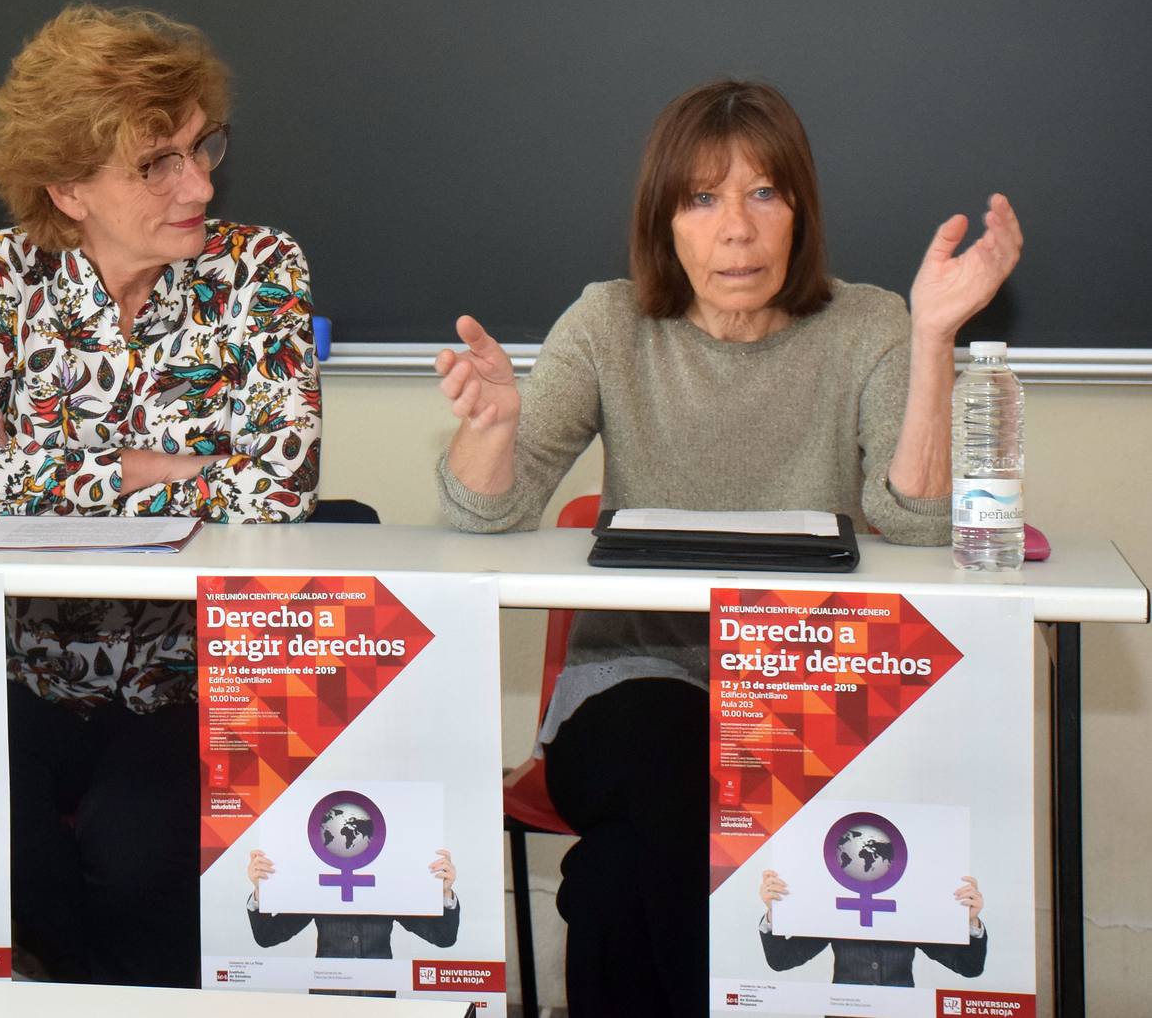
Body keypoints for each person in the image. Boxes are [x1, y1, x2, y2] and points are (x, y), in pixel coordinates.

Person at [431, 80, 1022, 1018]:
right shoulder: (608, 324)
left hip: (806, 698)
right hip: (626, 696)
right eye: (702, 198)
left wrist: (933, 338)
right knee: (679, 757)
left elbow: (912, 521)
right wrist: (494, 429)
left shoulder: (868, 327)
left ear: (800, 212)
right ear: (663, 220)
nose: (735, 231)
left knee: (615, 881)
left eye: (763, 195)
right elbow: (479, 512)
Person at [0, 3, 322, 987]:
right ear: (69, 187)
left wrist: (54, 469)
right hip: (30, 667)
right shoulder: (6, 276)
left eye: (201, 147)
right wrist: (157, 472)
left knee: (139, 853)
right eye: (158, 164)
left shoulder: (262, 272)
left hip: (199, 673)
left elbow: (280, 488)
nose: (202, 182)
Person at [757, 867, 987, 987]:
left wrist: (970, 922)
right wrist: (775, 913)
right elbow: (781, 960)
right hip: (844, 1014)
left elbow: (969, 967)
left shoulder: (911, 910)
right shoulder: (835, 909)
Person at [244, 846, 461, 957]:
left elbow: (443, 937)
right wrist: (261, 891)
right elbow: (267, 936)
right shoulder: (317, 886)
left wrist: (444, 893)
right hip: (328, 1000)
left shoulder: (389, 887)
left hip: (380, 1002)